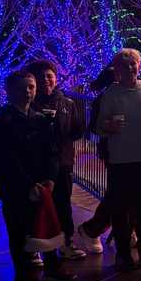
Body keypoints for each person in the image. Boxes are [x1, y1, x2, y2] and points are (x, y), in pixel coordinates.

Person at [0, 70, 75, 281]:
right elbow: (7, 160)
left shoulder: (39, 119)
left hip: (42, 184)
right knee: (18, 229)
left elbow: (52, 151)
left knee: (45, 223)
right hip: (16, 186)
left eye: (31, 87)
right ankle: (23, 273)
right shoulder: (3, 122)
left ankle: (52, 265)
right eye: (22, 88)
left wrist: (49, 178)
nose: (27, 92)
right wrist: (28, 184)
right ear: (9, 91)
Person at [94, 49, 141, 271]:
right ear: (116, 69)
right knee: (120, 208)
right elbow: (99, 126)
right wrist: (108, 127)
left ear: (139, 66)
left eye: (133, 64)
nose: (130, 68)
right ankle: (123, 253)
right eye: (124, 65)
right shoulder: (111, 93)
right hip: (120, 159)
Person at [27, 59, 87, 260]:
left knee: (63, 204)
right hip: (37, 165)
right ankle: (35, 248)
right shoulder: (30, 104)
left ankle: (66, 243)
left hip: (63, 162)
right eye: (41, 76)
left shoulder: (67, 103)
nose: (46, 80)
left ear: (56, 77)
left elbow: (78, 130)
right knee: (37, 206)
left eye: (49, 75)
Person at [74, 65, 115, 253]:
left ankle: (98, 228)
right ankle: (91, 229)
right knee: (118, 193)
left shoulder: (140, 92)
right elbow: (93, 128)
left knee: (126, 193)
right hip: (114, 151)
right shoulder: (104, 98)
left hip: (135, 151)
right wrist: (106, 127)